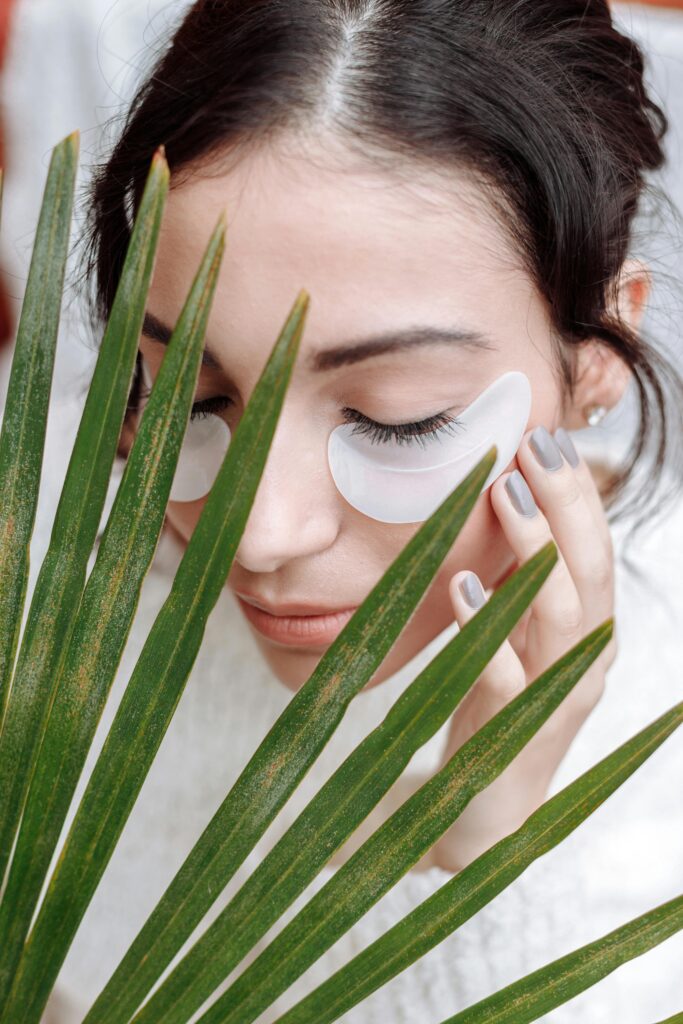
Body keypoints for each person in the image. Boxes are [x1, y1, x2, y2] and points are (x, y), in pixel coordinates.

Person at [36, 0, 683, 1020]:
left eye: (397, 421)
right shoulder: (45, 580)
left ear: (596, 350)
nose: (258, 536)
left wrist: (455, 868)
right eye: (186, 398)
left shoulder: (658, 795)